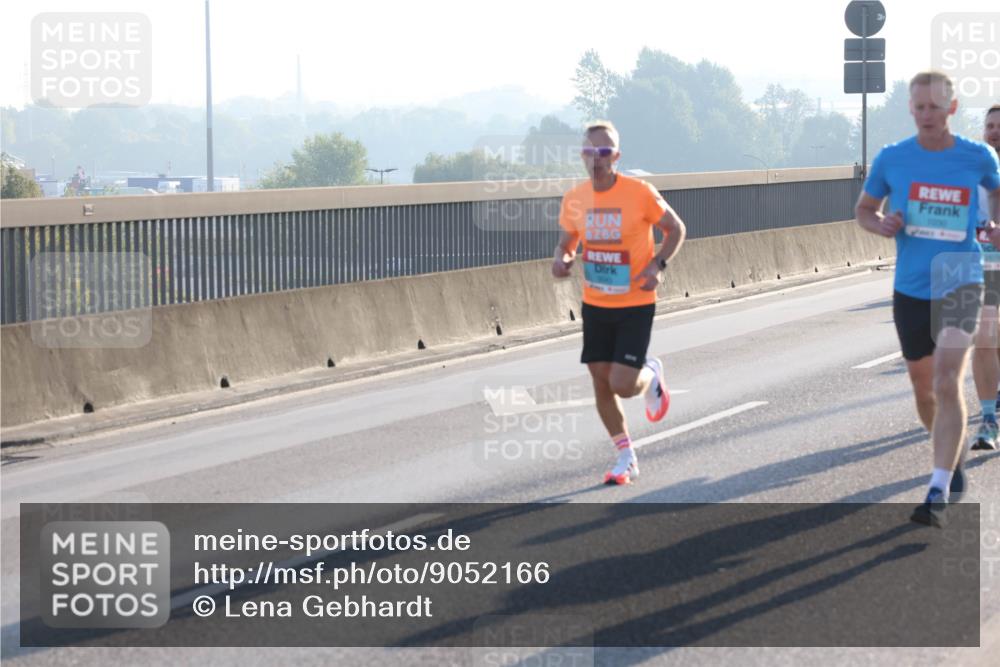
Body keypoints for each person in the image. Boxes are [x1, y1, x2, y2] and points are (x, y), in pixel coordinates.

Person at [855, 73, 1000, 527]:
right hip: (911, 287)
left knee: (945, 379)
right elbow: (864, 208)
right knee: (923, 388)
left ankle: (936, 487)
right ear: (911, 109)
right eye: (919, 107)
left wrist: (996, 225)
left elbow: (996, 193)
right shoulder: (892, 158)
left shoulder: (977, 156)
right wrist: (881, 223)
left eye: (935, 107)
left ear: (952, 108)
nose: (926, 115)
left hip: (961, 278)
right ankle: (950, 458)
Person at [552, 121, 687, 485]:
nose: (597, 159)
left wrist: (658, 265)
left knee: (623, 385)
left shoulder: (639, 192)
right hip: (595, 303)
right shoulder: (575, 199)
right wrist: (562, 258)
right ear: (582, 155)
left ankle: (652, 373)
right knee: (600, 381)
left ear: (617, 156)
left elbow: (675, 228)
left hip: (635, 302)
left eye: (605, 152)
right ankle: (625, 454)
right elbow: (568, 243)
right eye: (591, 152)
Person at [971, 104, 1000, 450]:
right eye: (989, 125)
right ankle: (989, 421)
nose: (994, 131)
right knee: (985, 336)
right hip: (984, 260)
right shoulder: (974, 168)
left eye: (999, 126)